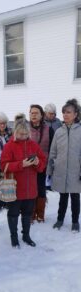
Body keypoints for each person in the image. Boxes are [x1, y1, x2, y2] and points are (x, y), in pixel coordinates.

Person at [1, 114, 46, 248]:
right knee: (13, 213)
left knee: (27, 214)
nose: (23, 136)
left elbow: (42, 165)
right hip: (14, 188)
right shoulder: (9, 146)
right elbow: (4, 166)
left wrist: (38, 162)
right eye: (20, 133)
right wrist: (21, 164)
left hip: (30, 188)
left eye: (26, 133)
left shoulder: (33, 145)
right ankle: (14, 237)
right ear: (15, 132)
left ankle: (26, 235)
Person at [47, 99, 81, 232]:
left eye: (68, 112)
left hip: (75, 170)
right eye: (64, 112)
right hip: (61, 170)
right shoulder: (58, 132)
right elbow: (53, 152)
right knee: (63, 197)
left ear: (76, 114)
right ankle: (60, 219)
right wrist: (50, 169)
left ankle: (75, 222)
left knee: (75, 197)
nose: (65, 115)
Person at [29, 104, 54, 222]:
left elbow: (52, 148)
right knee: (30, 189)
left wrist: (50, 163)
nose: (33, 115)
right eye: (31, 113)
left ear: (41, 115)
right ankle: (31, 213)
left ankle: (40, 214)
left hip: (43, 165)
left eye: (36, 113)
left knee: (41, 188)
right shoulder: (25, 129)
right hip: (27, 165)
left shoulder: (49, 130)